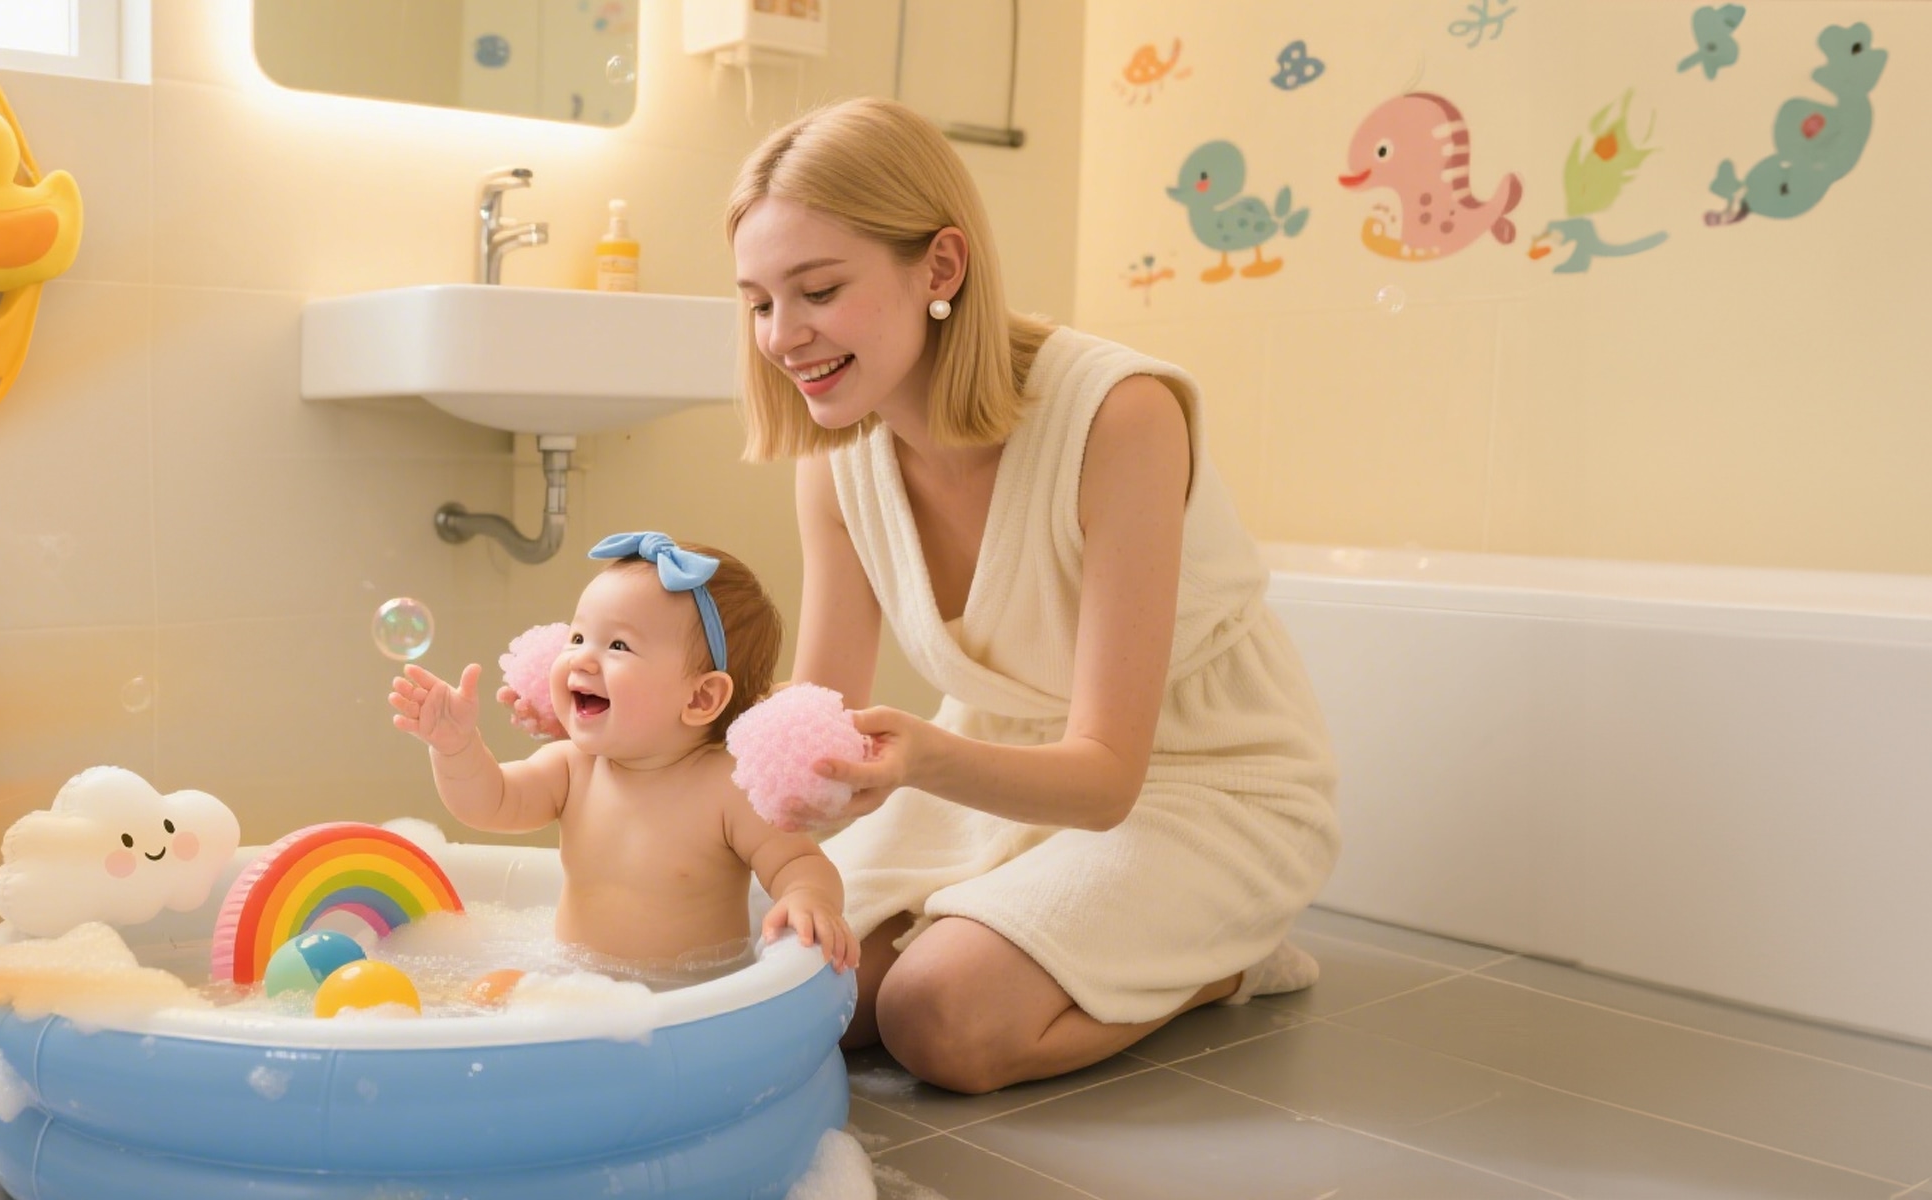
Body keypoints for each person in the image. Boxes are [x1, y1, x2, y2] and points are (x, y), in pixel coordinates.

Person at [510, 97, 1341, 1094]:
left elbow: (1111, 777)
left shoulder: (1121, 417)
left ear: (940, 269)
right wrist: (626, 731)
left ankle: (1227, 960)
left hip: (1197, 784)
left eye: (817, 290)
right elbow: (804, 742)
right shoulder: (841, 459)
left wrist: (925, 759)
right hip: (993, 778)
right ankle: (1036, 933)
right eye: (760, 301)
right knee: (800, 982)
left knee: (937, 1017)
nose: (783, 336)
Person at [391, 533, 855, 973]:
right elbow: (489, 802)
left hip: (688, 1002)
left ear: (700, 699)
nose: (582, 659)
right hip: (577, 986)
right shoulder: (573, 767)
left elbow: (799, 862)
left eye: (618, 646)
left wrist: (807, 898)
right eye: (577, 638)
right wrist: (457, 748)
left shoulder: (728, 789)